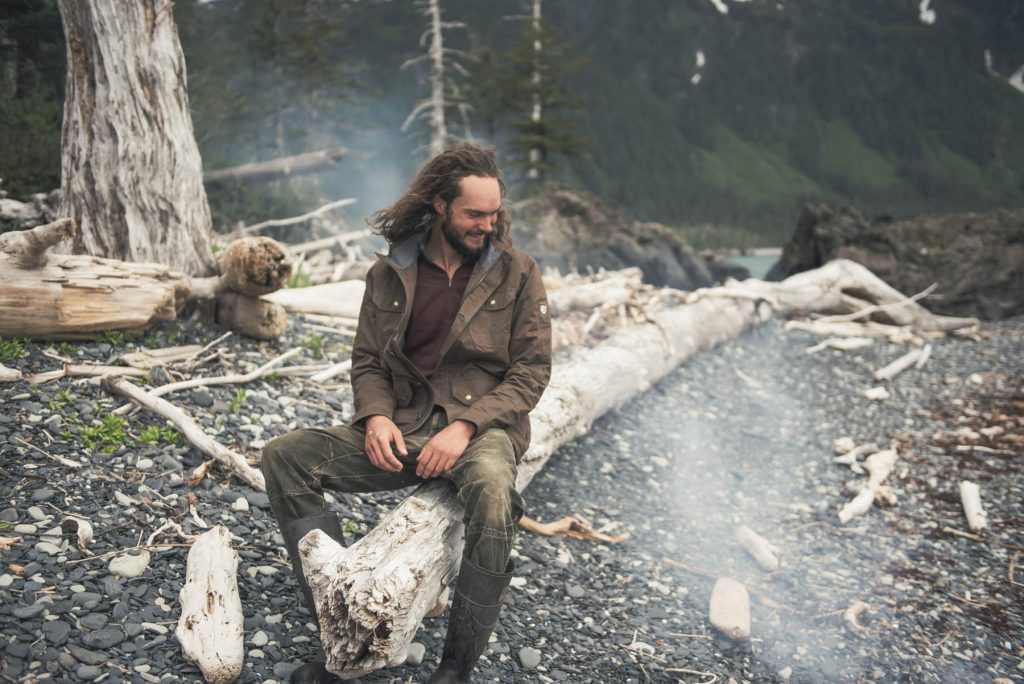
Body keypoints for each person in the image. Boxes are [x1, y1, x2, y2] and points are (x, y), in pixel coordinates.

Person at [262, 143, 552, 684]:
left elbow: (531, 372)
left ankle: (456, 668)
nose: (487, 226)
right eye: (474, 214)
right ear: (441, 205)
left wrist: (465, 427)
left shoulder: (518, 272)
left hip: (483, 427)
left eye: (494, 213)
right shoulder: (391, 271)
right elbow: (369, 361)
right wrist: (375, 417)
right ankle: (338, 625)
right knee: (284, 457)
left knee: (493, 492)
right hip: (405, 425)